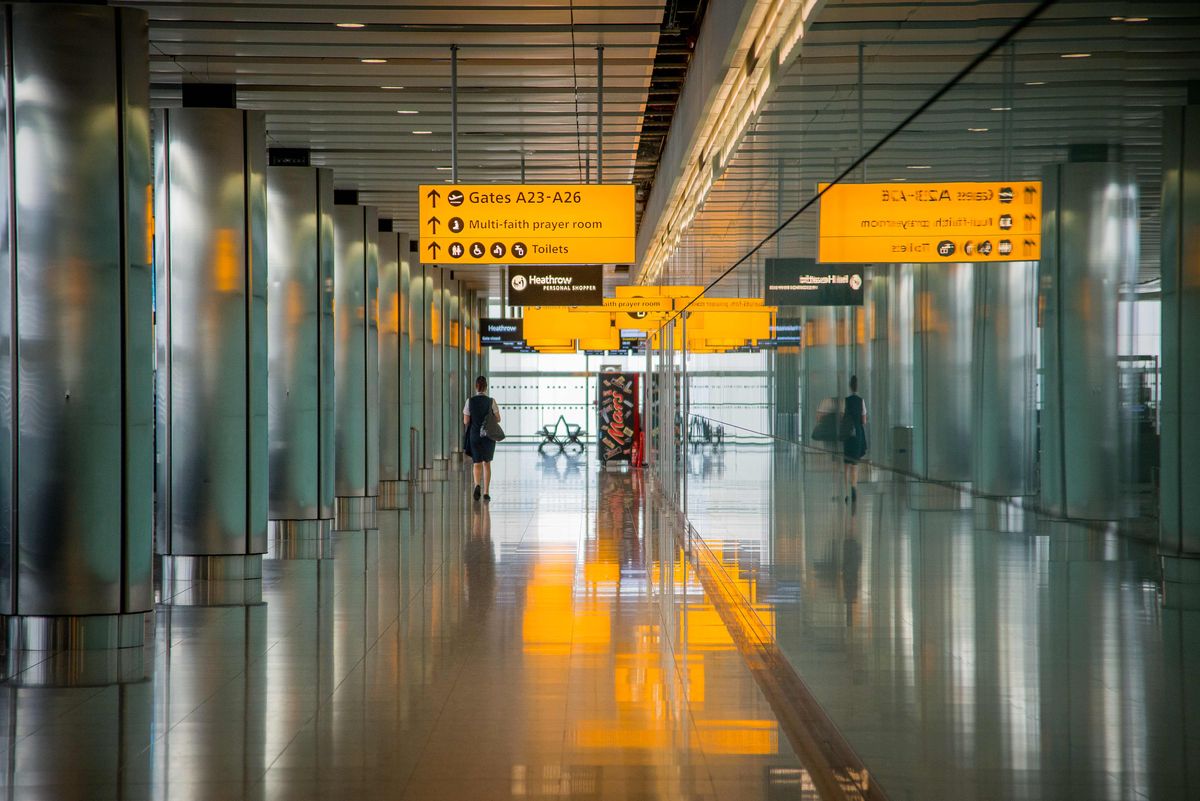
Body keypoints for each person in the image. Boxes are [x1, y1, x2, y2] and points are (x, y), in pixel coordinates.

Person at [463, 375, 500, 501]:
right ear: (486, 387)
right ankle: (486, 492)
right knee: (486, 464)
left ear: (476, 386)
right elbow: (498, 418)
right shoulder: (491, 401)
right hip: (488, 436)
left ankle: (477, 485)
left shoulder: (470, 401)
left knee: (476, 463)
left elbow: (466, 420)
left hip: (474, 435)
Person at [842, 374, 867, 503]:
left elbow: (843, 417)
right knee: (854, 465)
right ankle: (854, 487)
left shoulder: (846, 401)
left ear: (849, 386)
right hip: (857, 434)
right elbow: (864, 420)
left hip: (848, 436)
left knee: (846, 465)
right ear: (857, 386)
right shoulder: (861, 401)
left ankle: (846, 493)